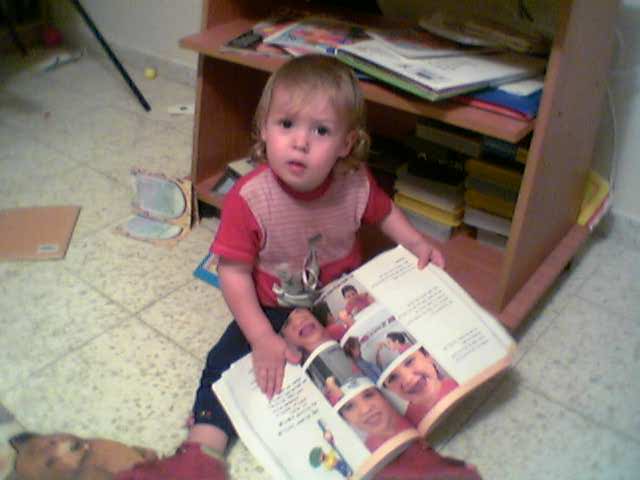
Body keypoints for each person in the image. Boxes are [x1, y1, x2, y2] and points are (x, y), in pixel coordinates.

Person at [142, 54, 453, 479]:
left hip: (341, 305)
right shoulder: (249, 198)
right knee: (222, 361)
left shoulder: (355, 182)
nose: (300, 142)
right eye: (286, 124)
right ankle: (203, 444)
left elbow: (384, 214)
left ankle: (398, 438)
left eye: (321, 130)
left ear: (346, 143)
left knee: (377, 364)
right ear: (264, 129)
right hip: (273, 308)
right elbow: (232, 273)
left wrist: (415, 241)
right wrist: (260, 336)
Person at [383, 348, 459, 425]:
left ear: (428, 356)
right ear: (389, 390)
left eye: (409, 361)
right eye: (393, 378)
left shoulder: (460, 383)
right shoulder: (408, 424)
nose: (408, 379)